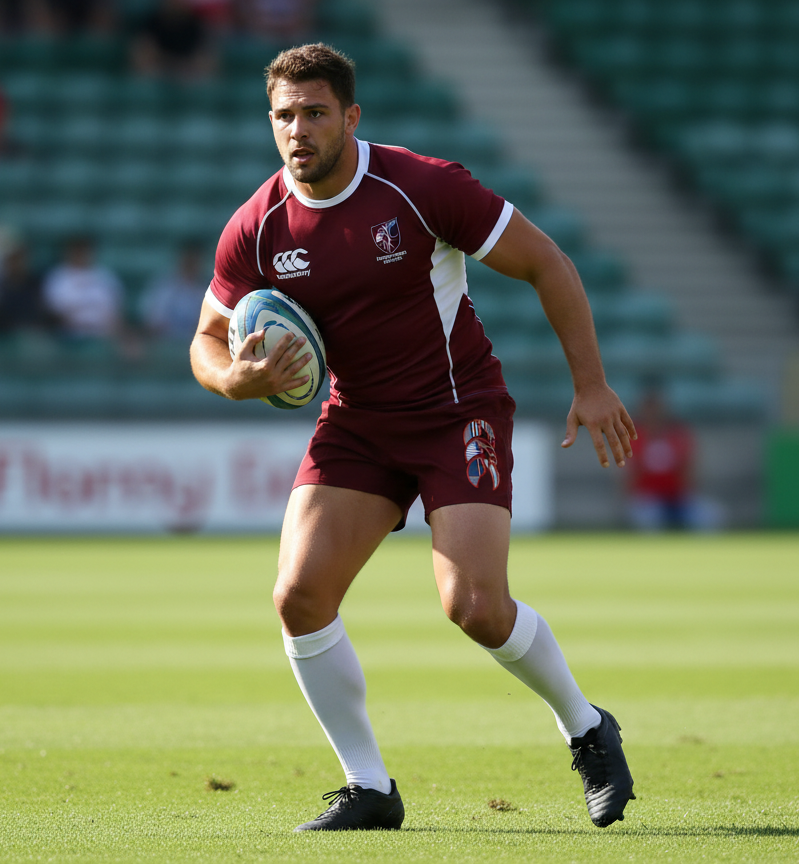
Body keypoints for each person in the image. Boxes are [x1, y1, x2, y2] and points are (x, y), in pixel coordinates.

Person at [189, 44, 637, 832]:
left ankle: (586, 727)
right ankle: (369, 787)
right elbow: (206, 338)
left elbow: (547, 263)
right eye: (285, 116)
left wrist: (591, 385)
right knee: (298, 595)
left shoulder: (421, 187)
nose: (299, 130)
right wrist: (234, 379)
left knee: (474, 606)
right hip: (358, 422)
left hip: (455, 409)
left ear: (351, 117)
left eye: (316, 112)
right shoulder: (256, 228)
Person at [626, 388, 718, 531]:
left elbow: (689, 468)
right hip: (649, 497)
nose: (653, 415)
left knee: (711, 516)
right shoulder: (635, 437)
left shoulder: (678, 434)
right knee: (648, 520)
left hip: (677, 496)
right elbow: (628, 473)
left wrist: (682, 493)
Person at [42, 235, 124, 339]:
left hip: (103, 336)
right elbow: (53, 314)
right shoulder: (56, 277)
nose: (81, 254)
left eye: (84, 250)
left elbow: (117, 315)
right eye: (77, 251)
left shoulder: (106, 277)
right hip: (67, 337)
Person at [140, 240, 208, 339]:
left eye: (195, 260)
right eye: (189, 259)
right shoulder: (164, 287)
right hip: (164, 347)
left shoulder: (210, 289)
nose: (192, 264)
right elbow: (152, 325)